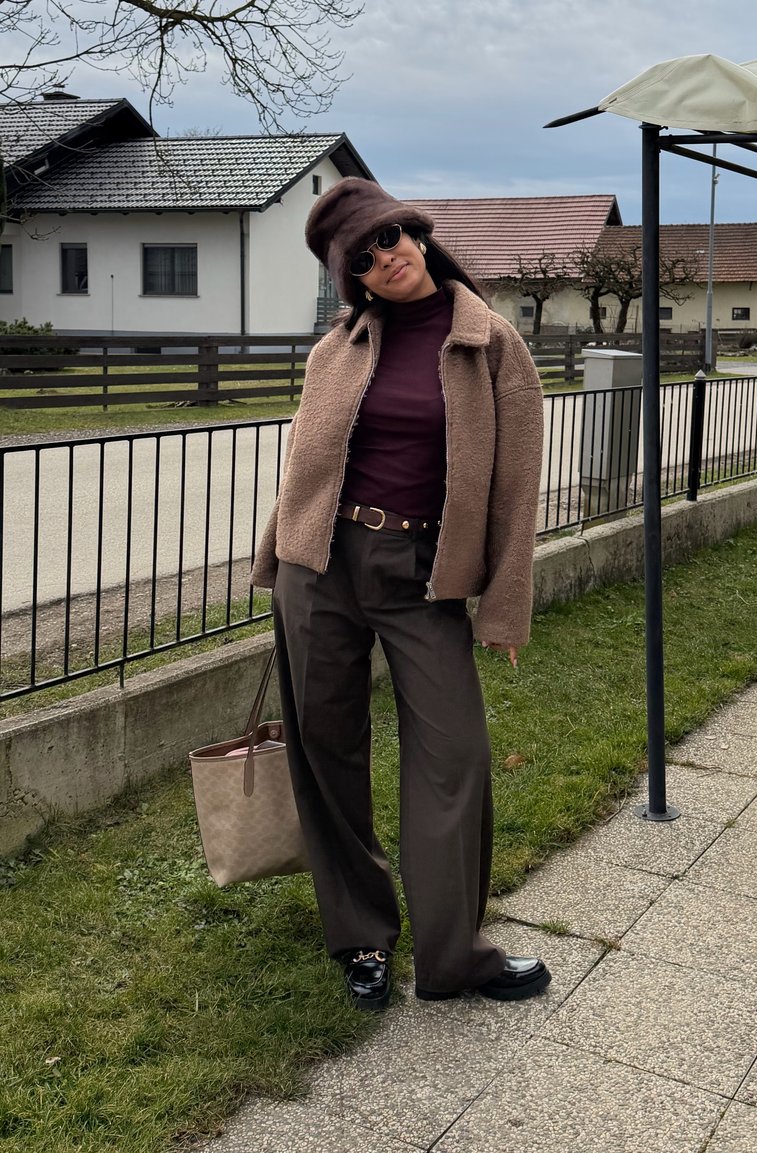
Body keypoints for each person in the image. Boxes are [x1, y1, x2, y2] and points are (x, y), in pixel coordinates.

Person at [251, 177, 548, 1011]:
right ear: (352, 279)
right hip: (323, 568)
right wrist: (281, 557)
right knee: (328, 749)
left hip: (423, 574)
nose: (389, 259)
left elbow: (517, 488)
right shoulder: (335, 349)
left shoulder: (491, 344)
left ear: (418, 233)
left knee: (456, 755)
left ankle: (453, 955)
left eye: (394, 238)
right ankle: (361, 939)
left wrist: (504, 603)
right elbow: (305, 468)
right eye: (366, 257)